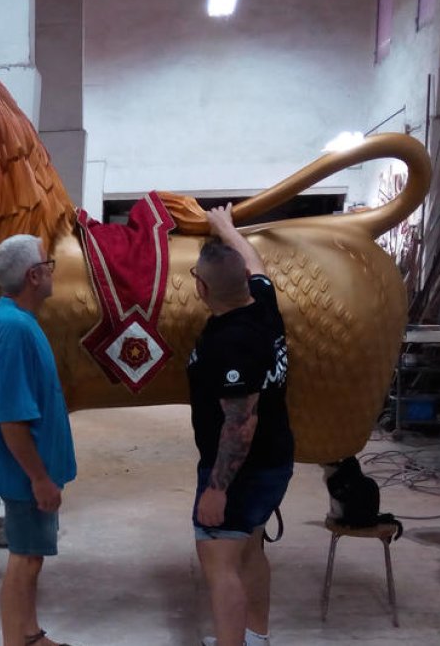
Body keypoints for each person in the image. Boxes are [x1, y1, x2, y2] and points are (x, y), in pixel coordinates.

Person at [186, 204, 294, 646]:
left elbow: (239, 425)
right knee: (250, 547)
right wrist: (227, 228)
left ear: (200, 287)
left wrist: (217, 489)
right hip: (273, 460)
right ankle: (256, 636)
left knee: (219, 563)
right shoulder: (263, 304)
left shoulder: (229, 343)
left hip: (241, 470)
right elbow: (256, 262)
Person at [0, 234, 78, 646]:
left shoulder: (9, 319)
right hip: (25, 477)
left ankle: (30, 635)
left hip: (27, 473)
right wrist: (39, 479)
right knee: (24, 560)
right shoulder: (15, 329)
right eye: (48, 264)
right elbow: (12, 420)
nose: (53, 270)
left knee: (31, 556)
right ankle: (14, 641)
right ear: (35, 276)